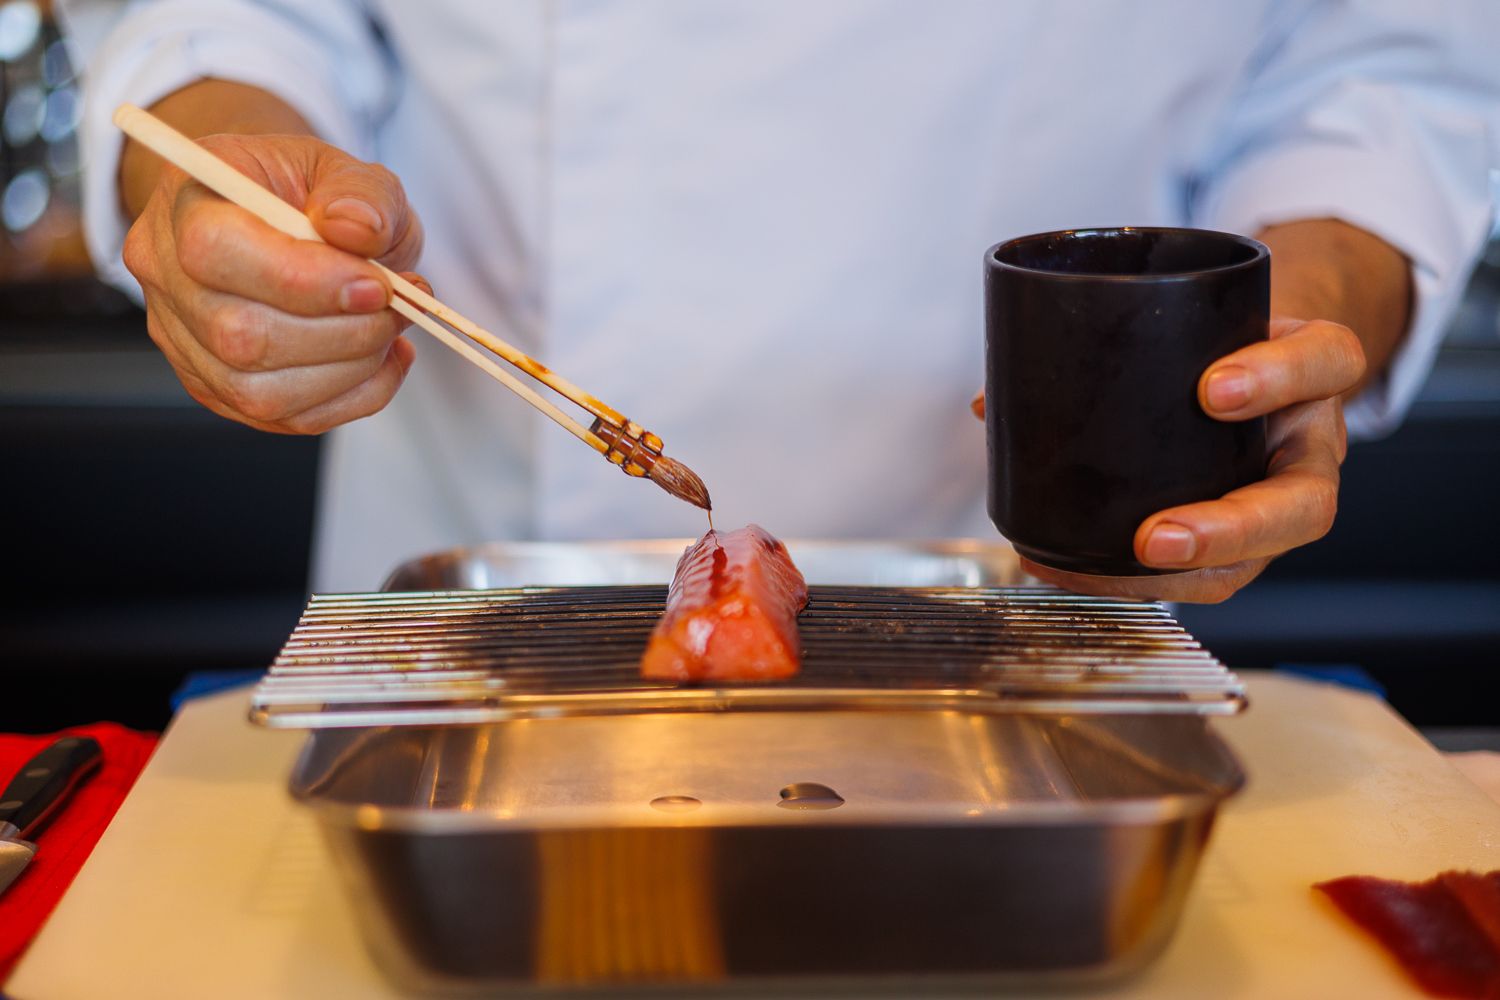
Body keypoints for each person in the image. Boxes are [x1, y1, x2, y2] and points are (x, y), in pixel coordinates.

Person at [68, 1, 1499, 599]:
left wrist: (1298, 315)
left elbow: (1379, 69)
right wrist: (225, 181)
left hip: (1096, 591)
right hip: (481, 564)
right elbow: (220, 17)